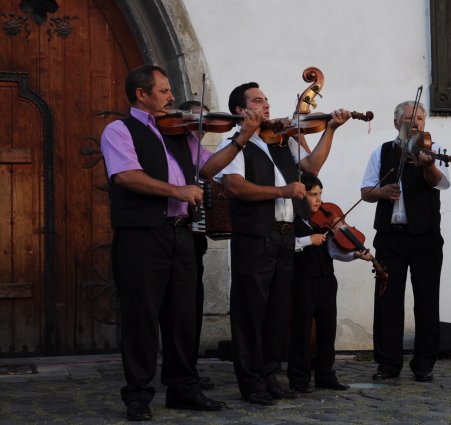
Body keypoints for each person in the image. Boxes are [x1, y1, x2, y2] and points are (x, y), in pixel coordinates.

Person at [100, 65, 261, 421]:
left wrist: (241, 138)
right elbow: (125, 176)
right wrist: (177, 191)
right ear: (141, 94)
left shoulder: (182, 132)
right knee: (142, 317)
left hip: (181, 233)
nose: (172, 97)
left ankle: (183, 388)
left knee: (183, 316)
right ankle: (138, 395)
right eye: (164, 91)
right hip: (142, 236)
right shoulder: (119, 130)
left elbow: (209, 169)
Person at [217, 81, 351, 405]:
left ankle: (269, 375)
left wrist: (331, 129)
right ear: (240, 110)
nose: (266, 105)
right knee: (251, 311)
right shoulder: (234, 144)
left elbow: (312, 167)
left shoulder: (282, 140)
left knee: (278, 311)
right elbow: (234, 187)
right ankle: (251, 382)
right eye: (257, 100)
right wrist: (281, 191)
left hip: (285, 235)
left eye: (266, 99)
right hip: (255, 235)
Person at [360, 100, 450, 383]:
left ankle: (424, 364)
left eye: (420, 118)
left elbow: (441, 183)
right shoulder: (382, 151)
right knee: (387, 300)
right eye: (409, 118)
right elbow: (365, 191)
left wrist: (428, 166)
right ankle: (388, 363)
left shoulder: (433, 150)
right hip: (390, 236)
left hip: (425, 237)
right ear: (396, 122)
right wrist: (382, 192)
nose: (415, 123)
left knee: (427, 301)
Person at [287, 173, 373, 394]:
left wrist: (355, 254)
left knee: (327, 328)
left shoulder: (323, 222)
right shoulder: (291, 220)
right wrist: (308, 240)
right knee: (301, 330)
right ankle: (299, 378)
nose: (319, 200)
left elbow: (334, 250)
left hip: (326, 279)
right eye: (313, 194)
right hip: (302, 280)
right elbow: (284, 245)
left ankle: (325, 374)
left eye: (320, 194)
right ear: (300, 195)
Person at [176, 100, 216, 391]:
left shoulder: (203, 154)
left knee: (192, 305)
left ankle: (188, 366)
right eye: (196, 121)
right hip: (173, 233)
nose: (201, 129)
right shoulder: (172, 148)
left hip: (194, 238)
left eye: (206, 123)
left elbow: (216, 172)